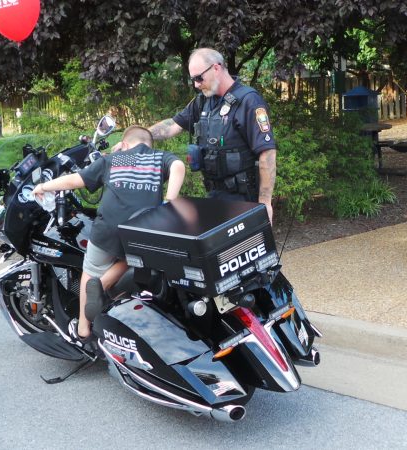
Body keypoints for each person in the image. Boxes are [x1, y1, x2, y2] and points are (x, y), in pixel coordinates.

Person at [32, 126, 185, 343]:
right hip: (140, 232)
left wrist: (43, 186)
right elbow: (178, 166)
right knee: (133, 256)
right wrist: (170, 202)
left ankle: (83, 328)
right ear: (149, 144)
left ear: (124, 144)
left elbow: (75, 180)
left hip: (108, 230)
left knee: (90, 270)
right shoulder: (159, 157)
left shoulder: (112, 160)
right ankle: (103, 285)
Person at [148, 47, 277, 223]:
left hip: (243, 199)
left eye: (199, 78)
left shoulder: (248, 100)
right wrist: (138, 136)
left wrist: (265, 203)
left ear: (216, 68)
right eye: (193, 79)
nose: (196, 84)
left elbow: (267, 153)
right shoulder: (204, 101)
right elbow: (172, 126)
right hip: (215, 195)